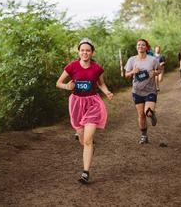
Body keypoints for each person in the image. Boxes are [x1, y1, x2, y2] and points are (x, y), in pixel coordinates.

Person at [56, 38, 113, 184]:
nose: (85, 53)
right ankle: (88, 145)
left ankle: (85, 172)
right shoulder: (72, 66)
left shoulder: (96, 68)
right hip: (76, 104)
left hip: (93, 104)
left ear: (92, 52)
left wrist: (106, 92)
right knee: (83, 138)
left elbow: (101, 83)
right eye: (82, 50)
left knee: (88, 140)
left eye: (88, 50)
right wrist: (66, 87)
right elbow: (58, 83)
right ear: (79, 52)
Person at [124, 39, 162, 144]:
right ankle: (144, 136)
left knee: (148, 112)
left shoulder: (153, 60)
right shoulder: (132, 60)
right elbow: (126, 75)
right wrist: (133, 71)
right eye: (139, 45)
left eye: (143, 45)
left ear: (146, 47)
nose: (140, 46)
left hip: (150, 90)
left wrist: (154, 73)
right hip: (137, 91)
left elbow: (159, 70)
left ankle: (152, 115)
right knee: (141, 115)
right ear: (137, 47)